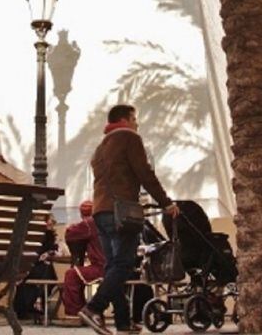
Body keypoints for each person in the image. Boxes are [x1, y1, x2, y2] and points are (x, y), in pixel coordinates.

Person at [80, 105, 179, 335]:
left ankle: (123, 322)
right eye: (135, 118)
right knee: (123, 264)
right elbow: (144, 173)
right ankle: (94, 308)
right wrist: (166, 202)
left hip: (100, 212)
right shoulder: (129, 137)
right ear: (124, 120)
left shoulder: (100, 147)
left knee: (113, 266)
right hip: (121, 213)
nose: (137, 123)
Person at [62, 201, 106, 317]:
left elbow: (70, 234)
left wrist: (70, 228)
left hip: (101, 267)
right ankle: (83, 309)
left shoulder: (89, 223)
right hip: (114, 266)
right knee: (79, 272)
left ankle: (74, 313)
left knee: (71, 274)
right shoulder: (105, 222)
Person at [14, 213, 60, 321]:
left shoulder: (48, 235)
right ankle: (36, 305)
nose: (53, 222)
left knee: (48, 270)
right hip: (32, 267)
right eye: (49, 219)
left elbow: (53, 250)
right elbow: (35, 254)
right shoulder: (39, 236)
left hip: (34, 267)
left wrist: (50, 252)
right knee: (47, 271)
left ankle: (34, 305)